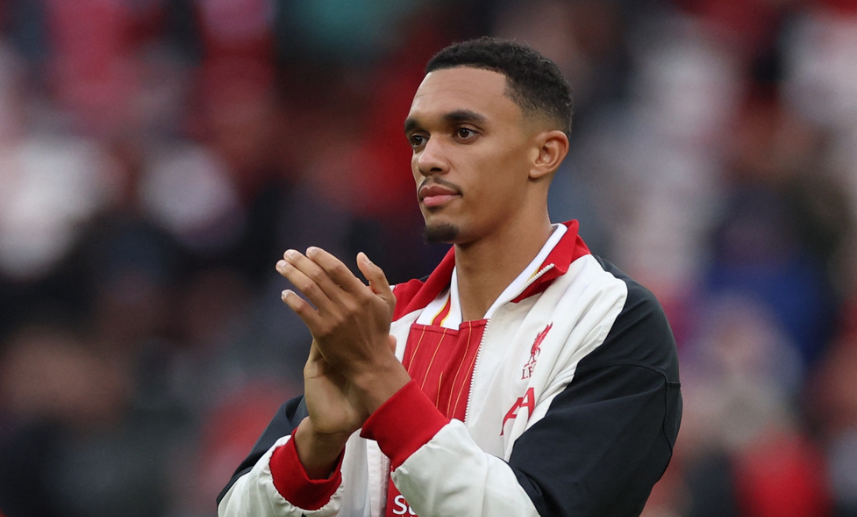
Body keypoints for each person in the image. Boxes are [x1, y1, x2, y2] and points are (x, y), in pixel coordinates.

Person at [217, 36, 682, 517]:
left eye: (462, 132)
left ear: (544, 153)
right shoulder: (385, 321)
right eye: (418, 138)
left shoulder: (611, 317)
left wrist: (383, 385)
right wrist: (318, 443)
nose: (426, 159)